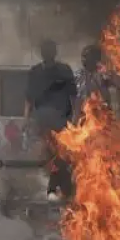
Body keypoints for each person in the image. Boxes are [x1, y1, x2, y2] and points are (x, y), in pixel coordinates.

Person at [26, 39, 76, 202]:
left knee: (61, 156)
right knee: (52, 156)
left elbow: (73, 96)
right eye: (45, 50)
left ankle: (57, 189)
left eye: (50, 49)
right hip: (43, 121)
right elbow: (29, 99)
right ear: (41, 53)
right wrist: (26, 119)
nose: (48, 53)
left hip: (61, 120)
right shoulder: (35, 72)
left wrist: (74, 118)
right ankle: (62, 188)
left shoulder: (64, 70)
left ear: (55, 52)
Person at [72, 44, 113, 121]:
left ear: (96, 59)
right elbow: (72, 97)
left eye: (87, 57)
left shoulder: (103, 74)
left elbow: (119, 84)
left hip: (102, 119)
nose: (84, 59)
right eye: (83, 56)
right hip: (82, 120)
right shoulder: (77, 75)